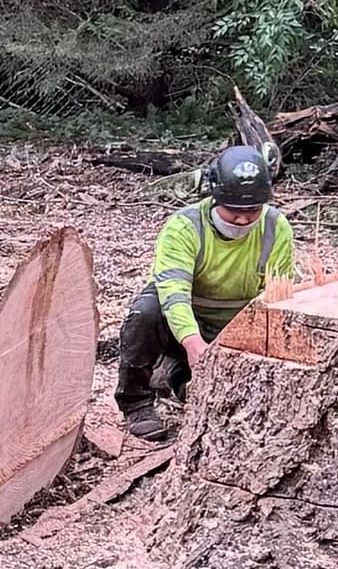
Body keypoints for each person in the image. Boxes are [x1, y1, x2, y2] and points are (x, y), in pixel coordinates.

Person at [115, 140, 300, 439]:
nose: (242, 219)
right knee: (146, 312)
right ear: (215, 198)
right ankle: (136, 403)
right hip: (183, 325)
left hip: (237, 328)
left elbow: (277, 297)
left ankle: (178, 375)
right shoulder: (184, 227)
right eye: (233, 210)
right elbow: (174, 293)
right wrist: (192, 343)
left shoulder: (276, 228)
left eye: (252, 210)